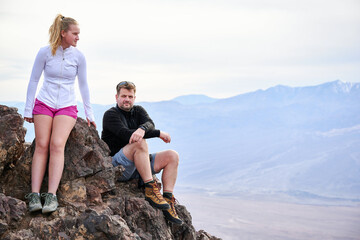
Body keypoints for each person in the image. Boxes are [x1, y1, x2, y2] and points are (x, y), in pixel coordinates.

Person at [23, 14, 96, 214]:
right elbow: (33, 81)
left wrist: (89, 114)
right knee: (42, 145)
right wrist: (28, 108)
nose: (78, 37)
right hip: (44, 103)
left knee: (57, 145)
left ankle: (52, 196)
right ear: (63, 33)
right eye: (75, 33)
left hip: (66, 105)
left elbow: (83, 85)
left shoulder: (79, 57)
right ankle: (35, 195)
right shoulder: (45, 52)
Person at [101, 81, 182, 224]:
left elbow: (150, 123)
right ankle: (150, 188)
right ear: (116, 97)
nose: (127, 99)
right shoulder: (110, 115)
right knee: (139, 143)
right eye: (124, 96)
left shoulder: (138, 110)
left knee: (172, 156)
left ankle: (168, 200)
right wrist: (158, 133)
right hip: (119, 166)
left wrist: (143, 128)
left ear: (134, 98)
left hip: (139, 164)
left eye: (130, 96)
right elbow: (127, 135)